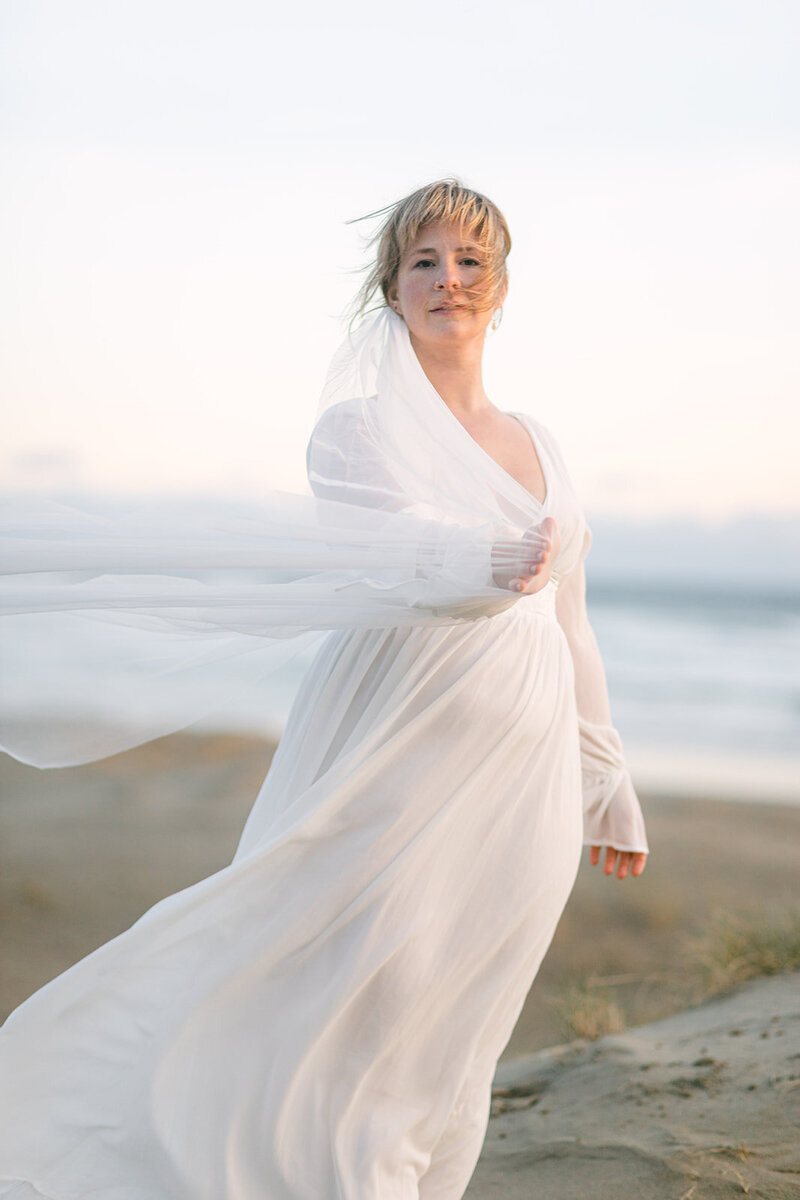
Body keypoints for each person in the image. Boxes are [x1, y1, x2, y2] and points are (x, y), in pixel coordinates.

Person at [0, 179, 648, 1200]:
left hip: (519, 773)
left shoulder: (541, 441)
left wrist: (606, 773)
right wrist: (482, 555)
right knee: (348, 969)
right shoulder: (357, 430)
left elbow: (569, 620)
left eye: (468, 262)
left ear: (501, 285)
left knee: (457, 1000)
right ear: (390, 290)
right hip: (393, 743)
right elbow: (388, 548)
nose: (447, 280)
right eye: (423, 262)